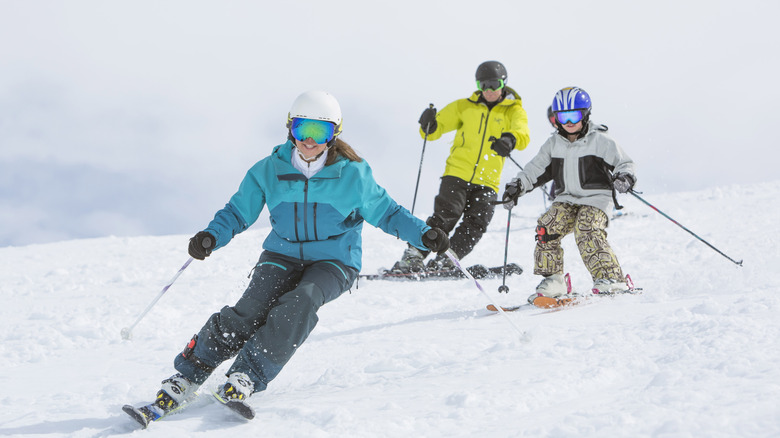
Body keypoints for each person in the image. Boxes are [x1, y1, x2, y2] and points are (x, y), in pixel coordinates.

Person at [126, 91, 450, 423]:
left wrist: (423, 234)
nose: (309, 140)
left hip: (335, 260)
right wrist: (212, 236)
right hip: (281, 253)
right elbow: (238, 211)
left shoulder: (353, 174)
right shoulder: (268, 170)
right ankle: (188, 375)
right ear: (289, 129)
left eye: (319, 132)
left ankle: (247, 375)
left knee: (302, 301)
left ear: (333, 134)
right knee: (249, 309)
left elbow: (389, 213)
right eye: (302, 129)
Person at [391, 60, 530, 273]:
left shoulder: (514, 111)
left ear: (503, 84)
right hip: (457, 173)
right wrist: (429, 123)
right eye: (483, 85)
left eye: (494, 84)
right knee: (445, 217)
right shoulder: (464, 107)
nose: (489, 90)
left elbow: (523, 134)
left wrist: (510, 139)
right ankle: (414, 255)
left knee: (478, 221)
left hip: (487, 179)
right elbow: (434, 130)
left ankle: (447, 258)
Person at [502, 87, 636, 305]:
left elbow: (625, 162)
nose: (569, 122)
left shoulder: (600, 140)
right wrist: (516, 187)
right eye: (563, 116)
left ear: (585, 114)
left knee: (587, 228)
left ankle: (610, 277)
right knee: (547, 226)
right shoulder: (553, 144)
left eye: (574, 115)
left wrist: (625, 177)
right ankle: (554, 280)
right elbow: (534, 170)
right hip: (566, 199)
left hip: (596, 198)